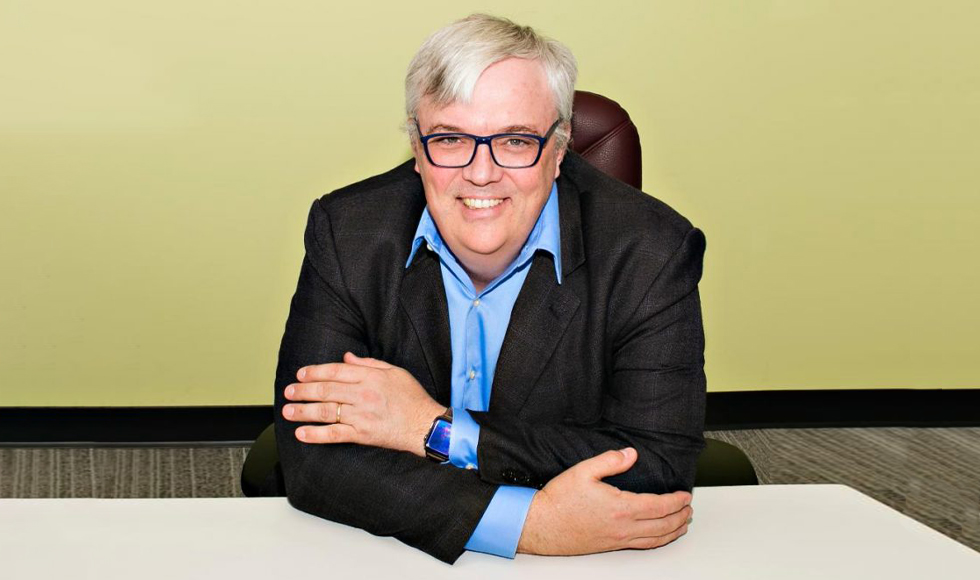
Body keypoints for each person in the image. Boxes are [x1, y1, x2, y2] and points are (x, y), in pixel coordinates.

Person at [273, 14, 706, 564]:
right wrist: (528, 525)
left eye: (516, 140)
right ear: (416, 144)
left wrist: (435, 430)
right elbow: (311, 453)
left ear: (560, 147)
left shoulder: (651, 250)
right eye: (450, 139)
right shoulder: (349, 232)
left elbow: (658, 460)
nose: (481, 173)